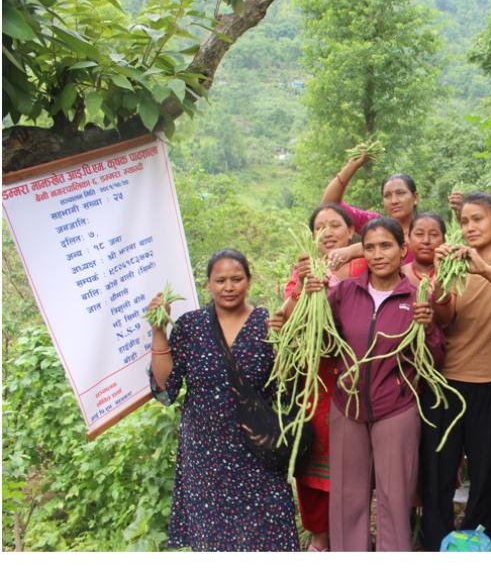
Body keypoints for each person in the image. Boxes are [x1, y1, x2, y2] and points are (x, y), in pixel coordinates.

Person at [301, 217, 444, 551]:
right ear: (362, 252)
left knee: (394, 498)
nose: (378, 254)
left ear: (402, 250)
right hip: (347, 407)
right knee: (347, 497)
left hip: (396, 409)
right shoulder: (344, 292)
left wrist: (428, 328)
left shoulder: (416, 297)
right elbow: (325, 345)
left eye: (386, 246)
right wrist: (313, 303)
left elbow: (434, 360)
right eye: (370, 247)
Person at [147, 249, 299, 552]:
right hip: (206, 455)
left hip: (257, 449)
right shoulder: (191, 326)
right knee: (214, 538)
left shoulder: (268, 323)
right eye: (220, 280)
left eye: (236, 279)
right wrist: (158, 331)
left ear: (249, 281)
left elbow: (288, 388)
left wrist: (286, 342)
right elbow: (166, 389)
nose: (228, 287)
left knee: (267, 533)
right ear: (208, 285)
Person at [420, 192, 491, 550]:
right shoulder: (454, 264)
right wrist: (439, 280)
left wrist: (485, 270)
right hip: (447, 382)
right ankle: (436, 542)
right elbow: (446, 317)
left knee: (487, 473)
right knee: (438, 471)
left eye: (478, 219)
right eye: (465, 221)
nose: (470, 227)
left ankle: (478, 543)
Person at [271, 203, 367, 552]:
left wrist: (341, 269)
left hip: (356, 375)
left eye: (335, 225)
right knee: (312, 453)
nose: (326, 232)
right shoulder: (302, 271)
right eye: (319, 227)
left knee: (353, 460)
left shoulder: (365, 264)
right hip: (314, 378)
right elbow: (288, 318)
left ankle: (350, 535)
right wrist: (301, 291)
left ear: (351, 231)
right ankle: (319, 535)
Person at [320, 150, 419, 267]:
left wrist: (355, 250)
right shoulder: (374, 224)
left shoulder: (425, 230)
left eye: (400, 193)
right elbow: (330, 204)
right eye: (387, 196)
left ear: (415, 198)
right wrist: (351, 166)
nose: (394, 201)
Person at [402, 211, 446, 286]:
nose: (426, 241)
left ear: (444, 240)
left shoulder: (455, 274)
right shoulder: (398, 275)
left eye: (433, 234)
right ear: (409, 239)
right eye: (419, 234)